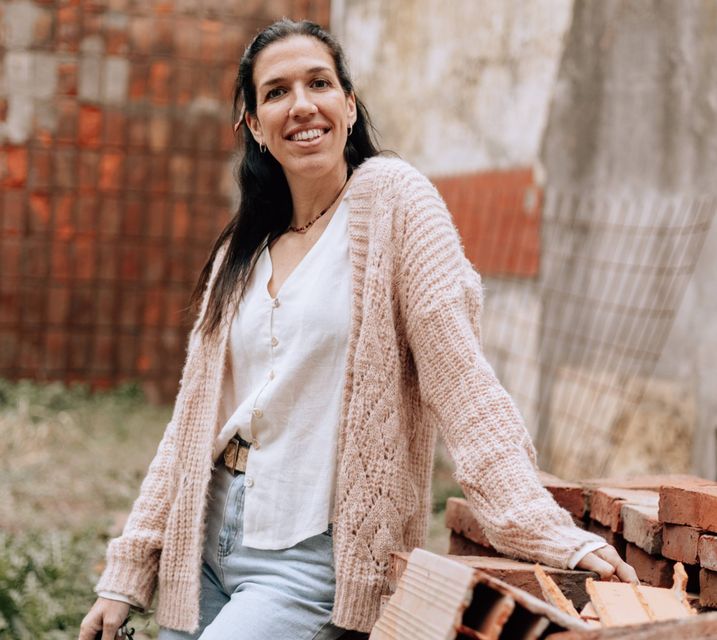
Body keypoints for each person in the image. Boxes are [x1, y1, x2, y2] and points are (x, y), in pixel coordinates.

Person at [79, 18, 637, 640]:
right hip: (206, 542)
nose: (301, 105)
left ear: (348, 104)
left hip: (308, 561)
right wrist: (128, 572)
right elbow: (190, 425)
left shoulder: (396, 203)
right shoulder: (244, 244)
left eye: (319, 83)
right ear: (255, 126)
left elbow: (462, 382)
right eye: (277, 92)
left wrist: (542, 527)